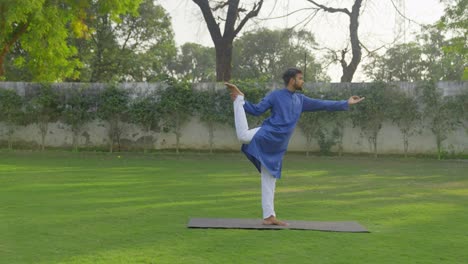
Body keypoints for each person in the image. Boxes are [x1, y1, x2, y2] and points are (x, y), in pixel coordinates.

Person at [225, 68, 365, 226]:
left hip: (278, 145)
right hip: (267, 134)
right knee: (243, 136)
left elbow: (323, 104)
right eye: (300, 78)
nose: (302, 81)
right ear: (292, 80)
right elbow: (256, 110)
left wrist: (346, 103)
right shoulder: (275, 96)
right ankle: (239, 98)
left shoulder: (301, 100)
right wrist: (240, 100)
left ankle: (269, 216)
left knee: (269, 178)